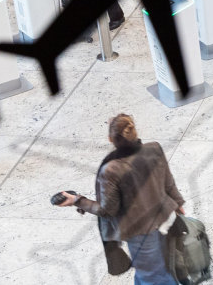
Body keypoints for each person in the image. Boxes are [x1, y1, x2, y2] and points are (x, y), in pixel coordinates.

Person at [57, 114, 185, 285]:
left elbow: (107, 210)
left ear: (110, 139)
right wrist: (179, 204)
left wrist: (77, 200)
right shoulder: (154, 148)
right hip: (166, 217)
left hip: (142, 231)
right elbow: (168, 182)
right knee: (150, 271)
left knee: (154, 277)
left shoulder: (111, 170)